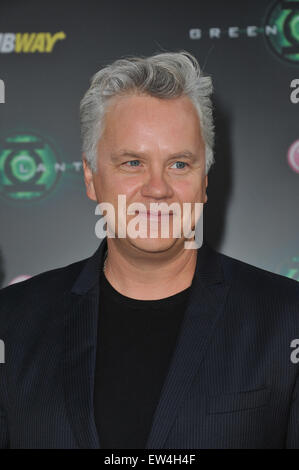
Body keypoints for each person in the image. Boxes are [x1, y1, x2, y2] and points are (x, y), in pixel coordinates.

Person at [0, 51, 298, 449]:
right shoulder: (12, 324)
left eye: (179, 164)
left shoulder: (286, 321)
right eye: (132, 162)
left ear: (204, 181)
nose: (157, 189)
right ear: (91, 177)